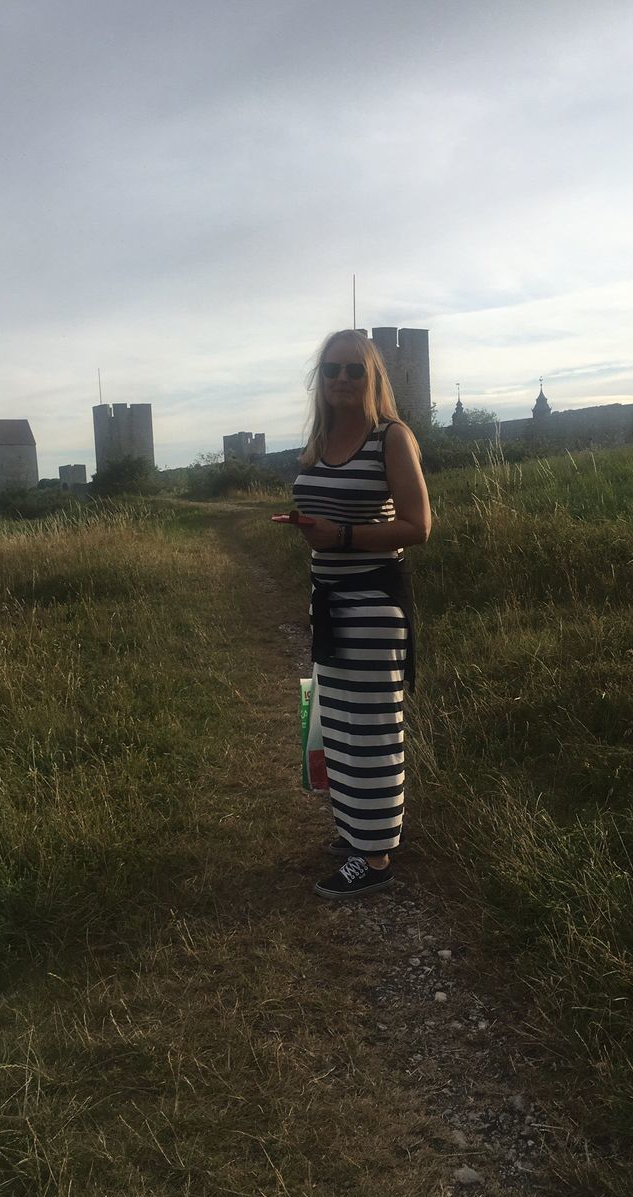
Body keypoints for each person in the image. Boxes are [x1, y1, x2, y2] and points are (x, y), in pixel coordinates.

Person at [291, 329, 432, 900]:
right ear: (319, 381)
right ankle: (355, 831)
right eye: (331, 370)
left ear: (373, 376)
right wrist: (309, 530)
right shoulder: (319, 440)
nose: (342, 379)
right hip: (329, 601)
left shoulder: (391, 437)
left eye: (353, 369)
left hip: (373, 604)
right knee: (341, 728)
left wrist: (342, 535)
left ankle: (375, 859)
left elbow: (419, 527)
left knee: (373, 730)